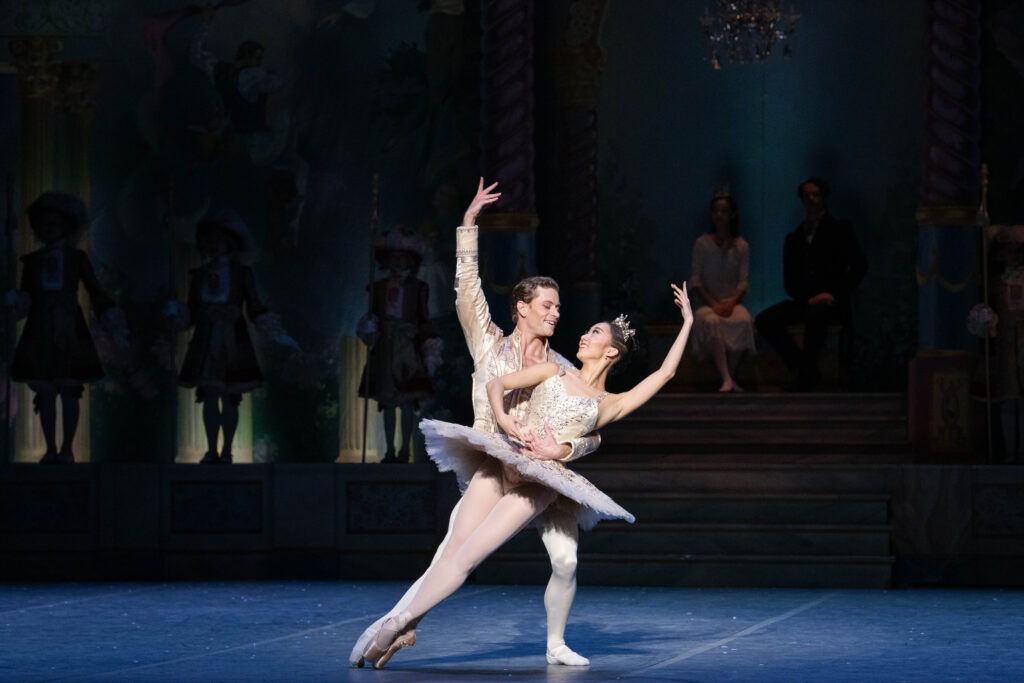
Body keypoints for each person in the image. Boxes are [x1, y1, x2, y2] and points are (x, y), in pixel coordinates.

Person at [356, 283, 693, 669]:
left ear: (611, 352)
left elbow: (665, 374)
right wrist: (502, 418)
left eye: (595, 333)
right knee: (454, 552)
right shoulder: (554, 368)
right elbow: (496, 383)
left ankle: (400, 624)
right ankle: (404, 624)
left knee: (482, 558)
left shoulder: (610, 404)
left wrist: (687, 322)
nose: (583, 334)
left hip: (540, 482)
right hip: (504, 459)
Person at [349, 180, 601, 668]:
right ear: (522, 308)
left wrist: (565, 452)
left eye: (558, 307)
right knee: (451, 550)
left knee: (565, 560)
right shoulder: (490, 344)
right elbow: (469, 290)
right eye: (546, 305)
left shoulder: (563, 368)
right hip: (495, 460)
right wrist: (468, 225)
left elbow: (591, 430)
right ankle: (396, 626)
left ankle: (555, 643)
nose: (555, 313)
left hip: (544, 473)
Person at [7, 192, 126, 464]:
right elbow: (26, 295)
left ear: (66, 226)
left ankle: (68, 449)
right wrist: (15, 302)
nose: (50, 229)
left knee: (70, 390)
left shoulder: (76, 259)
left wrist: (111, 318)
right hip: (40, 328)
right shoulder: (33, 261)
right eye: (45, 224)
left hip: (69, 328)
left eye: (55, 223)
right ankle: (50, 449)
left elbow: (95, 291)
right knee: (47, 392)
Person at [171, 212, 282, 464]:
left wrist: (266, 320)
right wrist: (178, 314)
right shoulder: (199, 275)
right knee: (209, 395)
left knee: (231, 396)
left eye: (219, 239)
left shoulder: (242, 273)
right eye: (210, 240)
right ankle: (211, 450)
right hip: (206, 337)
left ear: (230, 242)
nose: (213, 245)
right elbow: (193, 309)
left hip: (233, 338)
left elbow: (253, 304)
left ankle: (229, 451)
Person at [755, 177, 867, 390]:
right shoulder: (794, 238)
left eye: (816, 194)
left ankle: (806, 376)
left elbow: (860, 266)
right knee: (764, 319)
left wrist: (833, 293)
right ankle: (803, 368)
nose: (811, 199)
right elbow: (790, 280)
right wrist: (808, 298)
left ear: (824, 198)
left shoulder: (840, 229)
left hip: (833, 301)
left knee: (818, 315)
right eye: (807, 195)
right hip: (806, 300)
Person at [357, 227, 443, 463]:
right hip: (384, 347)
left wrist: (429, 343)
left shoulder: (418, 288)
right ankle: (389, 452)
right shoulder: (378, 287)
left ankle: (405, 449)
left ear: (410, 259)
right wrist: (369, 329)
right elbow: (372, 315)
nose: (397, 261)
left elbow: (424, 318)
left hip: (407, 349)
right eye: (392, 256)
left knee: (406, 401)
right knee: (387, 401)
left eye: (401, 256)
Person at [690, 191, 755, 392]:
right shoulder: (702, 244)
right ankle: (727, 378)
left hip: (731, 303)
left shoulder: (741, 246)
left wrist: (731, 303)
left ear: (732, 215)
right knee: (711, 321)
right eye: (716, 211)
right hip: (708, 305)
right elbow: (696, 280)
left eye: (724, 211)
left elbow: (743, 283)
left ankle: (730, 376)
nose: (719, 215)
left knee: (744, 320)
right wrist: (714, 303)